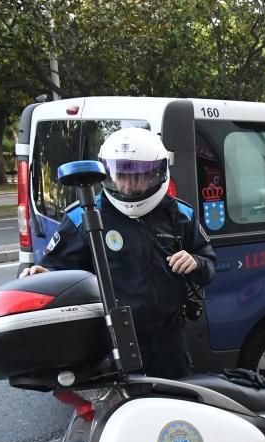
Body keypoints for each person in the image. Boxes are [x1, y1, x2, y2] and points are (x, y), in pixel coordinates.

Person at [20, 127, 216, 379]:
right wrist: (43, 277)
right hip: (109, 339)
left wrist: (196, 262)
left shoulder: (180, 215)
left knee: (176, 405)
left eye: (139, 176)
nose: (129, 186)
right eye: (121, 175)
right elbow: (58, 271)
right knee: (121, 410)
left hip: (169, 338)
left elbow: (209, 263)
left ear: (157, 173)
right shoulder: (84, 216)